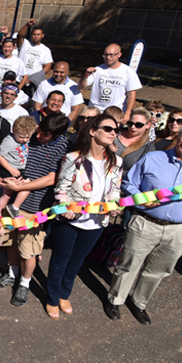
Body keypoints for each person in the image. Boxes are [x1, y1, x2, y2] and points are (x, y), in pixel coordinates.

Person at [104, 122, 182, 324]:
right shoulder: (153, 158)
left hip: (179, 229)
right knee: (128, 264)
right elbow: (129, 183)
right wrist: (140, 196)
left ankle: (139, 302)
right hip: (145, 222)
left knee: (159, 269)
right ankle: (115, 300)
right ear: (178, 136)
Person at [46, 115, 122, 319]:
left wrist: (114, 205)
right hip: (69, 220)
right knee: (60, 260)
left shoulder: (116, 161)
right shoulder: (74, 158)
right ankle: (52, 297)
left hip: (96, 222)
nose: (113, 133)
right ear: (92, 131)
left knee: (77, 261)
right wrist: (65, 206)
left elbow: (115, 190)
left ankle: (64, 294)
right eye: (107, 128)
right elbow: (61, 189)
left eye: (116, 129)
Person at [0, 114, 72, 307]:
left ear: (57, 135)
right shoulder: (28, 137)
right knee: (11, 242)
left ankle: (25, 283)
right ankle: (12, 274)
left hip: (35, 206)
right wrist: (2, 178)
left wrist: (20, 188)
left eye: (44, 134)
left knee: (28, 249)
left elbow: (52, 179)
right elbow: (5, 157)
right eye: (38, 130)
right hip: (13, 196)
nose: (38, 136)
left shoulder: (63, 147)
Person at [79, 44, 142, 115]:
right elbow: (81, 86)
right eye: (106, 55)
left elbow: (131, 94)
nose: (108, 57)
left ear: (119, 55)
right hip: (95, 111)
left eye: (111, 55)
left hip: (115, 112)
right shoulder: (98, 69)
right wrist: (86, 76)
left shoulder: (128, 71)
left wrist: (127, 113)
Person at [0, 116, 38, 217]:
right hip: (9, 169)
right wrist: (10, 169)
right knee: (27, 185)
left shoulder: (22, 139)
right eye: (22, 136)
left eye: (28, 137)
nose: (25, 140)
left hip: (16, 169)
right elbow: (0, 156)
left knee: (6, 195)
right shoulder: (9, 141)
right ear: (14, 131)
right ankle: (14, 207)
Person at [112, 108, 155, 173]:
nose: (133, 127)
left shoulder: (148, 148)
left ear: (148, 125)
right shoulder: (114, 133)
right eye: (130, 123)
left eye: (138, 125)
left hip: (123, 181)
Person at [16, 19, 53, 87]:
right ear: (31, 35)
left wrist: (33, 78)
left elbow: (47, 67)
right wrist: (27, 25)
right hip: (18, 78)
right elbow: (20, 35)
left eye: (38, 34)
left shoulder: (46, 50)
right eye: (34, 34)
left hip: (33, 82)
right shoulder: (25, 43)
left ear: (42, 35)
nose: (36, 36)